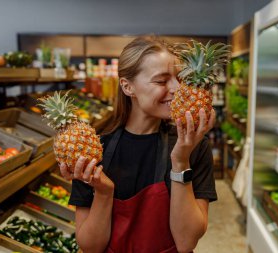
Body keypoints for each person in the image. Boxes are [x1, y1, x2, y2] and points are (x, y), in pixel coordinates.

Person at [60, 36, 217, 253]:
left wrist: (180, 161)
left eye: (180, 79)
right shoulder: (94, 149)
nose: (176, 88)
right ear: (127, 87)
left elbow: (186, 242)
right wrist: (104, 193)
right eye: (161, 81)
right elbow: (91, 247)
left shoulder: (195, 146)